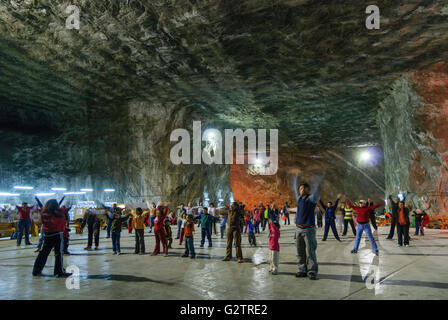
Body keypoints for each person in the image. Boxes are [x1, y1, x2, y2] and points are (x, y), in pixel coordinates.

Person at [32, 199, 71, 277]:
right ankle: (58, 271)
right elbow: (67, 209)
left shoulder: (43, 212)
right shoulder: (60, 212)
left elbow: (42, 207)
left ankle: (36, 270)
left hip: (47, 234)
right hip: (57, 234)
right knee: (58, 254)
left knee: (43, 253)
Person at [295, 178, 322, 280]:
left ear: (307, 190)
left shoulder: (311, 199)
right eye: (300, 189)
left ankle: (312, 271)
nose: (300, 190)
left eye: (303, 188)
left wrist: (317, 182)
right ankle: (302, 270)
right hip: (298, 229)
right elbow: (298, 209)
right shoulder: (299, 199)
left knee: (310, 251)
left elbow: (317, 193)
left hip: (308, 229)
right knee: (300, 251)